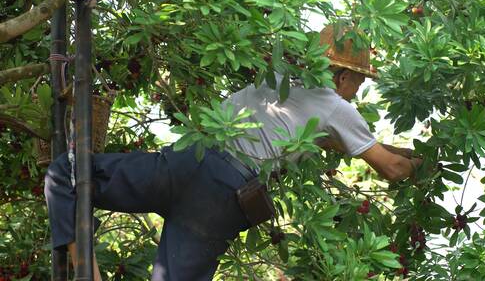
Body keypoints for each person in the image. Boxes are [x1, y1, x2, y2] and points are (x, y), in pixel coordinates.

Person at [44, 24, 422, 281]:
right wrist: (420, 163)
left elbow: (325, 141)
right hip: (219, 197)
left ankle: (85, 271)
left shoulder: (276, 78)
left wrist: (376, 144)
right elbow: (392, 169)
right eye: (358, 80)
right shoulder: (337, 107)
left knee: (67, 174)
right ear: (342, 76)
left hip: (186, 160)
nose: (357, 90)